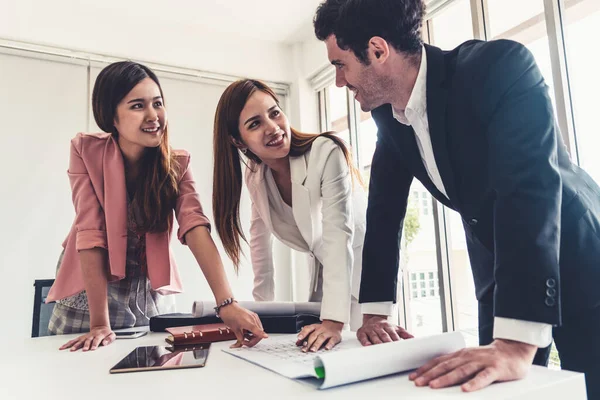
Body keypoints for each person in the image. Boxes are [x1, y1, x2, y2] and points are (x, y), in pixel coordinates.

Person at [313, 0, 600, 396]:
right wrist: (375, 313)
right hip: (497, 267)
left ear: (378, 51)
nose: (340, 83)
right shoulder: (387, 116)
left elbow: (526, 189)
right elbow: (383, 210)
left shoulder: (497, 67)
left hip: (579, 254)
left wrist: (516, 344)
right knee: (490, 387)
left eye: (340, 65)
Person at [46, 61, 267, 352]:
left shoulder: (177, 163)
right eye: (138, 106)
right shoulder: (85, 151)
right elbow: (90, 231)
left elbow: (195, 226)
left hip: (145, 296)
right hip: (91, 294)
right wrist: (100, 323)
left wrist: (227, 303)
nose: (154, 116)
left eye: (158, 103)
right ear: (111, 116)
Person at [212, 79, 367, 351]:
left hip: (364, 269)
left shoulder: (325, 152)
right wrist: (261, 314)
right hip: (326, 270)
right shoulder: (256, 176)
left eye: (274, 113)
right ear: (238, 141)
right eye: (254, 124)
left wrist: (333, 321)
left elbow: (337, 234)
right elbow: (260, 242)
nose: (273, 128)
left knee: (360, 354)